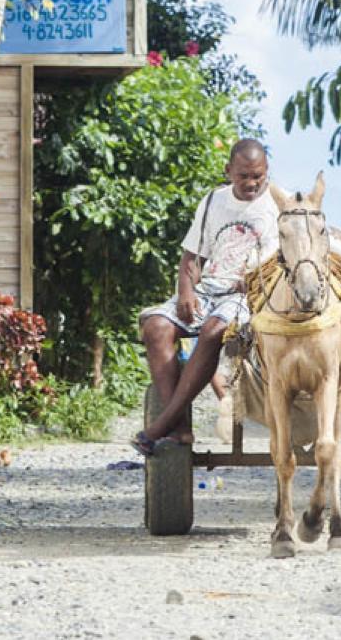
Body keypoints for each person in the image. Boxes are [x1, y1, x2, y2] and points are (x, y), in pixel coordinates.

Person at [131, 138, 279, 456]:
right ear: (228, 171)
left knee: (214, 330)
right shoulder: (213, 200)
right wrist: (185, 292)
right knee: (156, 327)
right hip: (209, 288)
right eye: (244, 176)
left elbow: (278, 265)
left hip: (249, 294)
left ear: (267, 171)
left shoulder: (276, 205)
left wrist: (252, 281)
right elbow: (191, 256)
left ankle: (161, 426)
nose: (252, 183)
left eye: (259, 175)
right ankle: (181, 429)